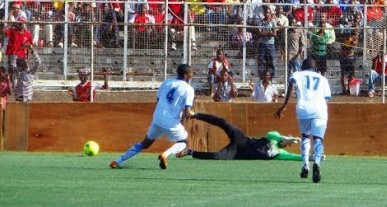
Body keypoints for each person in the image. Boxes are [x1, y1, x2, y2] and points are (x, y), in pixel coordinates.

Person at [110, 64, 195, 170]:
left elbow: (158, 99)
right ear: (186, 75)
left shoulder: (167, 82)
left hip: (157, 118)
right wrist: (192, 114)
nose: (193, 75)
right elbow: (187, 111)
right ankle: (165, 154)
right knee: (184, 142)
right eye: (191, 73)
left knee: (145, 143)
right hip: (171, 122)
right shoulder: (189, 89)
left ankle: (117, 161)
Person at [275, 58, 331, 183]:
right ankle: (317, 162)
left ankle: (306, 164)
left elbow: (292, 86)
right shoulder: (323, 79)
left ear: (302, 67)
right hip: (320, 110)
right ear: (315, 68)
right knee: (318, 139)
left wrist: (283, 106)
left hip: (303, 110)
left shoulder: (297, 74)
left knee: (305, 137)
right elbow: (327, 98)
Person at [177, 113, 305, 161]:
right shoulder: (274, 136)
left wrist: (313, 158)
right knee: (224, 122)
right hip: (242, 140)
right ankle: (195, 115)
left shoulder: (279, 153)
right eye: (287, 139)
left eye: (288, 143)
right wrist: (289, 139)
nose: (287, 142)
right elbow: (279, 137)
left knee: (217, 156)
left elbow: (294, 157)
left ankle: (190, 152)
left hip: (238, 153)